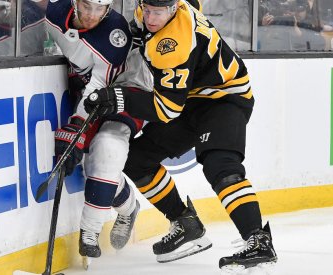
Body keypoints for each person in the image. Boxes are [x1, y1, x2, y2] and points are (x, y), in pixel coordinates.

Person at [84, 0, 278, 272]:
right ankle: (185, 222)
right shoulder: (156, 9)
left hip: (224, 99)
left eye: (158, 12)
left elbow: (166, 109)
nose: (150, 18)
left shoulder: (175, 43)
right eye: (147, 10)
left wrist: (118, 97)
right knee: (138, 160)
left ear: (174, 9)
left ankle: (258, 240)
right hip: (190, 99)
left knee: (220, 166)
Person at [46, 0, 150, 263]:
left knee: (107, 148)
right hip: (89, 91)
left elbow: (99, 84)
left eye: (100, 9)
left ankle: (89, 232)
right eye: (87, 6)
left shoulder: (116, 32)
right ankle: (128, 208)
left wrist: (77, 125)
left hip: (128, 90)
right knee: (93, 165)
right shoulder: (56, 11)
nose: (92, 15)